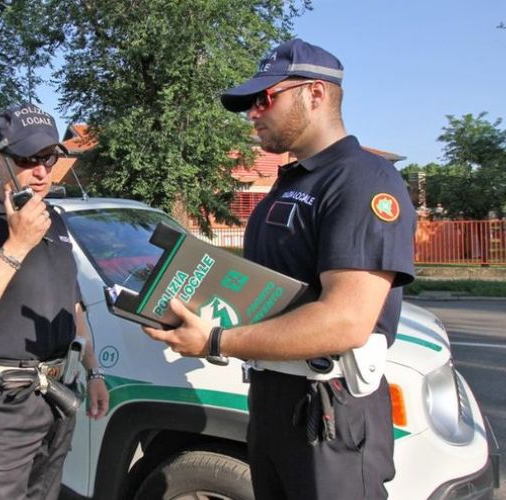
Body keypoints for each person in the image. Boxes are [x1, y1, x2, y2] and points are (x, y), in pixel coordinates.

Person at [143, 38, 415, 499]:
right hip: (273, 399)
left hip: (327, 408)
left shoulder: (362, 180)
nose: (252, 113)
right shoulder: (289, 183)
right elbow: (260, 290)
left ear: (315, 94)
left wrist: (214, 340)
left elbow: (346, 319)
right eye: (250, 103)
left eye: (265, 98)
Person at [0, 102, 109, 500]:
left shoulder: (54, 219)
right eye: (29, 158)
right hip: (2, 406)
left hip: (58, 394)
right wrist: (17, 245)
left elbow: (73, 305)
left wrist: (94, 373)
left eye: (48, 157)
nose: (42, 171)